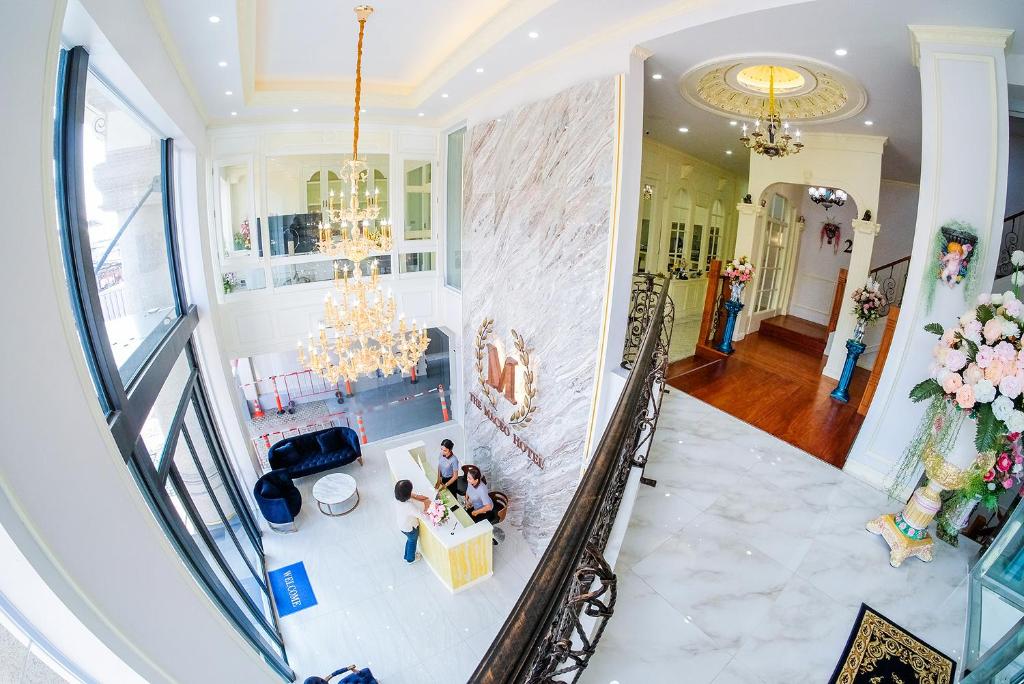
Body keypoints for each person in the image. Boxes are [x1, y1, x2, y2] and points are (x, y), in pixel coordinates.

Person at [394, 479, 430, 563]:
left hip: (403, 526)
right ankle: (410, 559)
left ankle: (407, 555)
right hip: (411, 529)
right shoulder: (409, 506)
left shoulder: (398, 499)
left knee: (410, 540)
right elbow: (423, 516)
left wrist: (416, 496)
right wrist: (427, 505)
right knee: (412, 542)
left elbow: (409, 495)